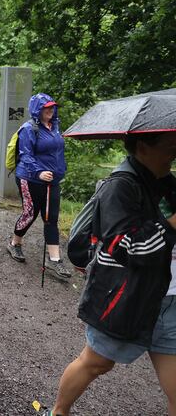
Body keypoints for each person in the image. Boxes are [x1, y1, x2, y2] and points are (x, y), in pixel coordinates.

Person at [42, 131, 176, 416]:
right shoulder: (120, 187)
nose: (175, 152)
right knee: (96, 363)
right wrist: (174, 223)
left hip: (170, 299)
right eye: (171, 146)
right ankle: (58, 412)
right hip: (127, 295)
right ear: (143, 146)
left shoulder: (166, 184)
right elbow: (131, 247)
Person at [7, 93, 72, 279]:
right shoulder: (29, 128)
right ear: (38, 109)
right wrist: (38, 172)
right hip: (30, 178)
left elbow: (57, 151)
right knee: (30, 214)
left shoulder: (55, 126)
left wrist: (60, 169)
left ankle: (55, 260)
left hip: (53, 181)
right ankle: (14, 243)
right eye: (46, 108)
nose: (51, 110)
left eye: (52, 107)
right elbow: (25, 155)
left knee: (51, 218)